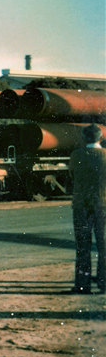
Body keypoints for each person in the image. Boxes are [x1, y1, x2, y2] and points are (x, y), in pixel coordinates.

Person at [68, 124, 106, 294]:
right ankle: (104, 283)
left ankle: (82, 284)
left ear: (84, 138)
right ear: (101, 137)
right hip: (103, 205)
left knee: (82, 246)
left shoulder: (76, 155)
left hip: (81, 206)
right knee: (104, 245)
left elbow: (72, 175)